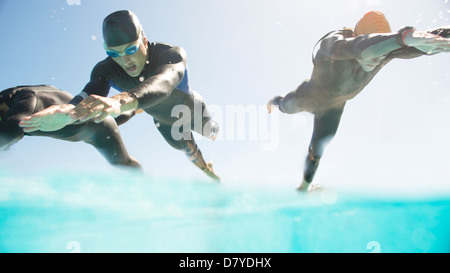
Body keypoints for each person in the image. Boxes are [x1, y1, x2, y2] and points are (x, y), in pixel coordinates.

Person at [19, 10, 220, 181]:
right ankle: (209, 171)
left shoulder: (170, 54)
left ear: (144, 39)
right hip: (164, 122)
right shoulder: (106, 69)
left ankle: (210, 130)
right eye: (114, 53)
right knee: (189, 151)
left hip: (190, 108)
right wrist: (69, 110)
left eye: (131, 49)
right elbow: (91, 91)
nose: (125, 61)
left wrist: (119, 101)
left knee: (211, 132)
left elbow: (164, 83)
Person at [267, 11, 450, 192]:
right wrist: (401, 38)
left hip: (333, 109)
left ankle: (303, 187)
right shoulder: (334, 43)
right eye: (374, 53)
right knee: (284, 106)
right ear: (357, 36)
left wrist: (415, 39)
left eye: (380, 54)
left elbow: (422, 43)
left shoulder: (384, 50)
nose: (376, 60)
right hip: (306, 97)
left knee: (317, 151)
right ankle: (273, 102)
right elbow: (355, 46)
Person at [1, 84, 142, 169]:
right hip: (85, 121)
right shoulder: (15, 101)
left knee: (123, 164)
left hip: (97, 127)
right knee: (109, 117)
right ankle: (138, 108)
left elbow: (13, 129)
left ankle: (139, 105)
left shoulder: (25, 97)